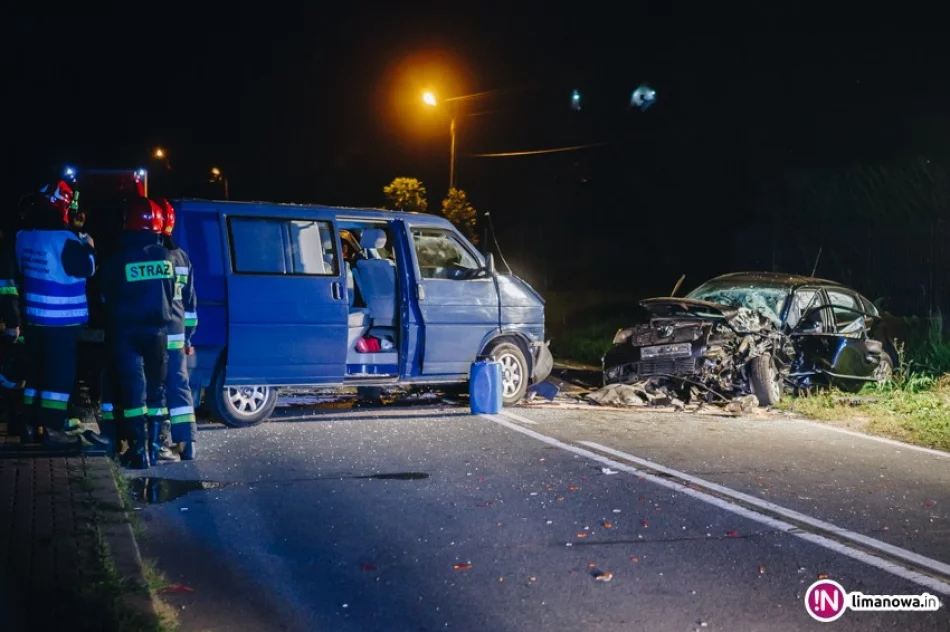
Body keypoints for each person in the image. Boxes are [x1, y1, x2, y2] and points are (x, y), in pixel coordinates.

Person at [13, 181, 99, 449]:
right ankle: (52, 429)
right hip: (60, 320)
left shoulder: (23, 236)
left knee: (36, 372)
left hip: (33, 317)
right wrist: (89, 247)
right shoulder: (65, 240)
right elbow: (87, 268)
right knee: (59, 375)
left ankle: (29, 425)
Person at [98, 197, 176, 469]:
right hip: (158, 335)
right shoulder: (166, 257)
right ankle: (155, 449)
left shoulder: (116, 260)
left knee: (133, 396)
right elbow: (171, 293)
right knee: (156, 394)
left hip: (126, 335)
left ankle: (138, 452)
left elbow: (105, 296)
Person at [156, 198, 197, 461]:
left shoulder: (153, 256)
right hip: (178, 334)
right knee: (180, 387)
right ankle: (188, 444)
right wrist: (188, 337)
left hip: (158, 336)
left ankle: (160, 442)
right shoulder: (181, 256)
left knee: (157, 388)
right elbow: (191, 305)